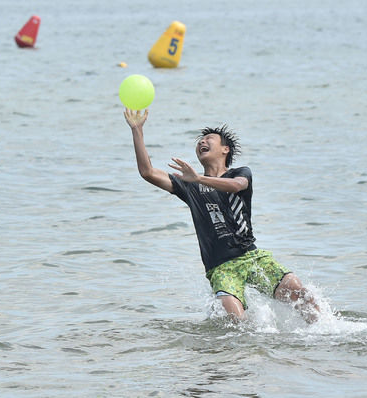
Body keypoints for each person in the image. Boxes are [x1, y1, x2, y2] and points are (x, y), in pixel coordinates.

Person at [124, 108, 320, 323]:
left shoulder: (240, 173)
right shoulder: (189, 185)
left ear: (225, 149)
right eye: (199, 141)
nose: (201, 142)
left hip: (252, 257)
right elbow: (148, 172)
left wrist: (198, 179)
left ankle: (327, 336)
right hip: (221, 268)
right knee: (235, 322)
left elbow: (236, 186)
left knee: (303, 296)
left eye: (209, 139)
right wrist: (137, 130)